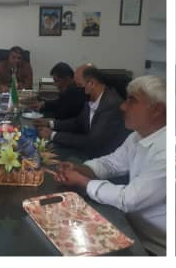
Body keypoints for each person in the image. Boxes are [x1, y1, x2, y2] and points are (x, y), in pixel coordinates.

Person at [54, 74, 167, 255]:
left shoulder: (165, 150)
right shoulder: (137, 136)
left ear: (156, 110)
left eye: (132, 101)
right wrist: (80, 169)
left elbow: (128, 199)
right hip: (129, 227)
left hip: (150, 247)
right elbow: (111, 164)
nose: (123, 106)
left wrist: (83, 181)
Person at [37, 67, 127, 156]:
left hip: (101, 157)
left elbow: (92, 141)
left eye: (79, 85)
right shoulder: (92, 98)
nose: (76, 88)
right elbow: (78, 123)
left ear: (91, 83)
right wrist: (50, 123)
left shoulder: (110, 104)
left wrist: (53, 135)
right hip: (88, 151)